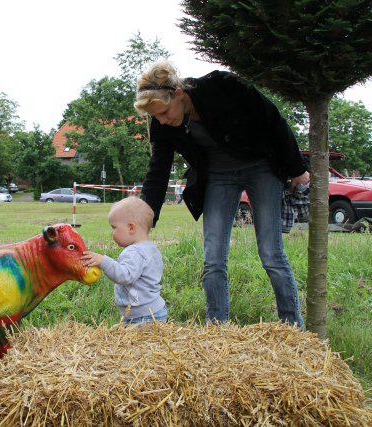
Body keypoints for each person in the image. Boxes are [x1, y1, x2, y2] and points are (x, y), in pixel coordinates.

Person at [135, 60, 308, 327]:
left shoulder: (222, 85)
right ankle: (217, 329)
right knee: (213, 258)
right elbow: (158, 170)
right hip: (218, 177)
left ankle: (292, 326)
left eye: (165, 112)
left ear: (179, 93)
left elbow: (272, 119)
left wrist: (297, 168)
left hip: (260, 167)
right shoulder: (162, 124)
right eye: (156, 117)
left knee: (271, 254)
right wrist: (145, 217)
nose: (163, 121)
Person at [81, 197, 167, 325]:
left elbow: (125, 275)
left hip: (143, 317)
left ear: (131, 228)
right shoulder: (151, 248)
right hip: (154, 310)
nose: (112, 233)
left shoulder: (135, 252)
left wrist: (103, 261)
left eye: (114, 227)